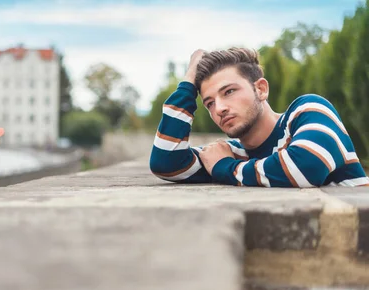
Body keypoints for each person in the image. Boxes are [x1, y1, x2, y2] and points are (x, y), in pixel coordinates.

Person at [149, 48, 369, 187]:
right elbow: (165, 162)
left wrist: (225, 168)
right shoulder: (232, 152)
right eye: (209, 103)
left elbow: (305, 168)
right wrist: (188, 82)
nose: (220, 108)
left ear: (261, 89)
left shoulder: (307, 111)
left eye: (229, 92)